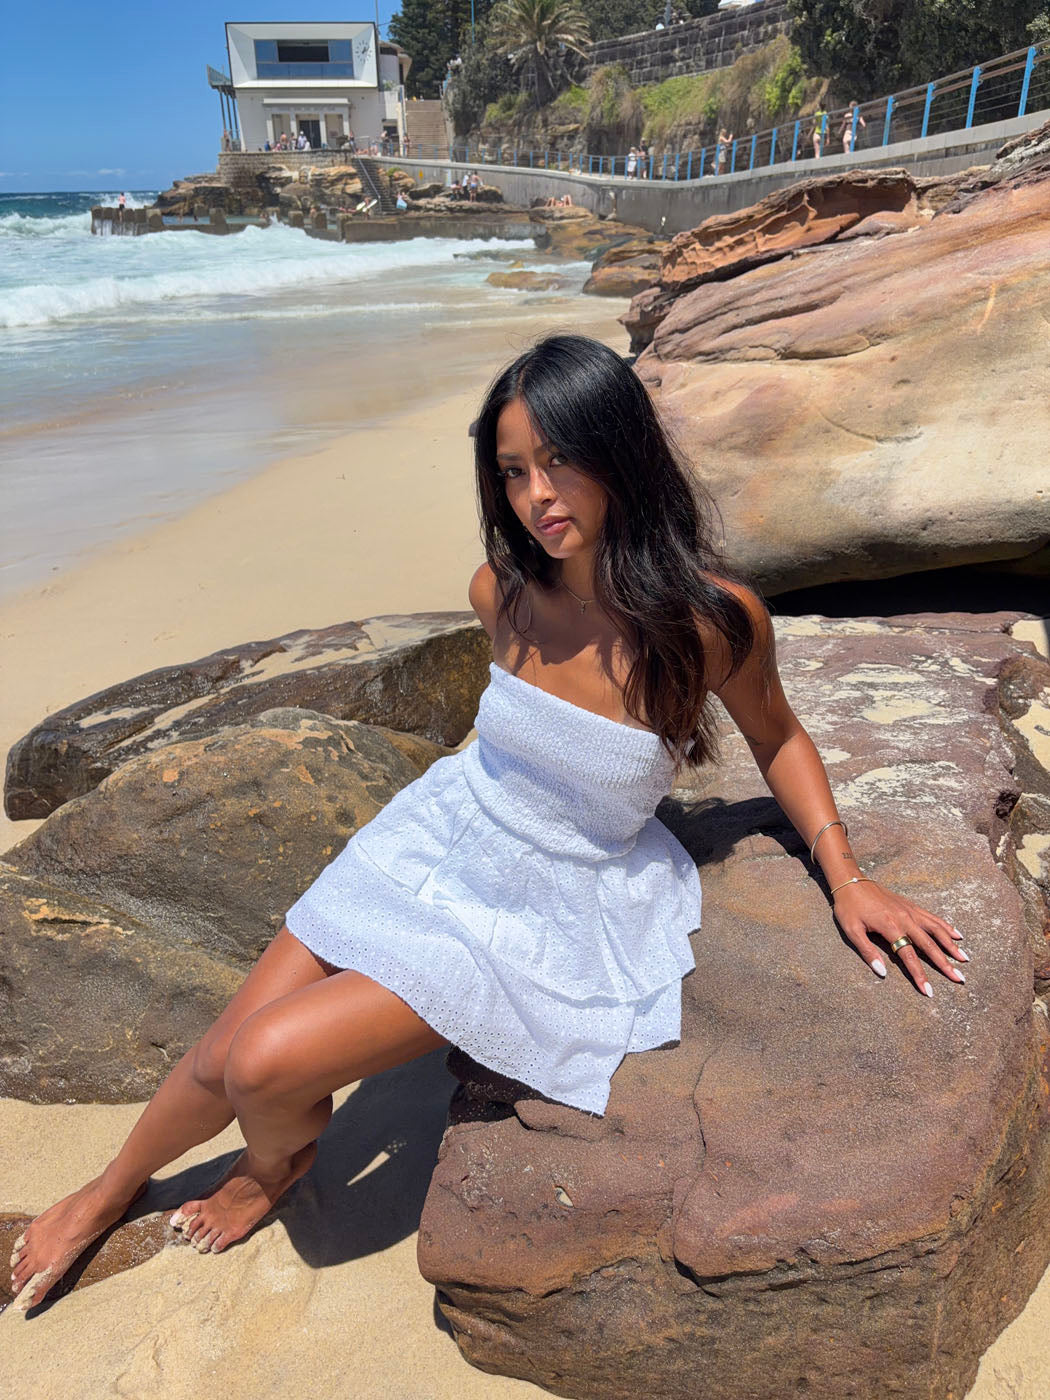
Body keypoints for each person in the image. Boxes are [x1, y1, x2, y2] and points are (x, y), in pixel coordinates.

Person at [8, 335, 969, 1313]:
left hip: (544, 902)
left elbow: (779, 738)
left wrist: (847, 875)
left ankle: (275, 1163)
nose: (535, 495)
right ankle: (106, 1189)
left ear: (620, 451)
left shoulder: (709, 622)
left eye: (559, 460)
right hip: (439, 833)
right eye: (513, 471)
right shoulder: (501, 593)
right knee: (223, 1048)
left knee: (262, 1062)